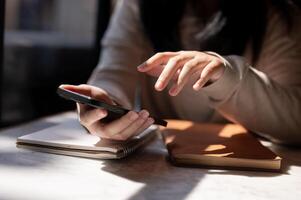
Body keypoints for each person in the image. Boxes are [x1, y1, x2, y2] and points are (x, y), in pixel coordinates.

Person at [61, 0, 301, 145]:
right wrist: (105, 104)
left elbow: (294, 123)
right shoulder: (139, 5)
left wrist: (224, 74)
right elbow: (115, 71)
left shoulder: (276, 16)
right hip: (161, 162)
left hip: (245, 173)